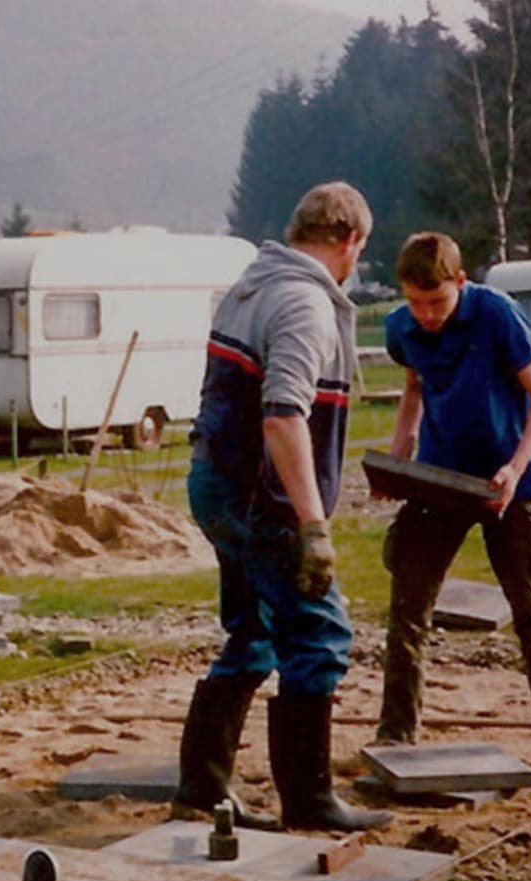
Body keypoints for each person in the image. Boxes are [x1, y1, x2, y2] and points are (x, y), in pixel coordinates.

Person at [179, 181, 391, 833]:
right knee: (319, 635)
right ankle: (307, 800)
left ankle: (200, 790)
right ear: (349, 240)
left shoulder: (251, 285)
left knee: (252, 634)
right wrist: (311, 525)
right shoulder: (303, 303)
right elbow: (281, 418)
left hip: (215, 480)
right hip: (259, 497)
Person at [373, 231, 531, 781]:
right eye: (415, 302)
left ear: (461, 283)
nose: (427, 315)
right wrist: (398, 456)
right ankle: (395, 733)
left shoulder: (498, 315)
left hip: (512, 483)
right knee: (407, 605)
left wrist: (516, 463)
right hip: (441, 478)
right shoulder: (402, 328)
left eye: (436, 302)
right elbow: (415, 388)